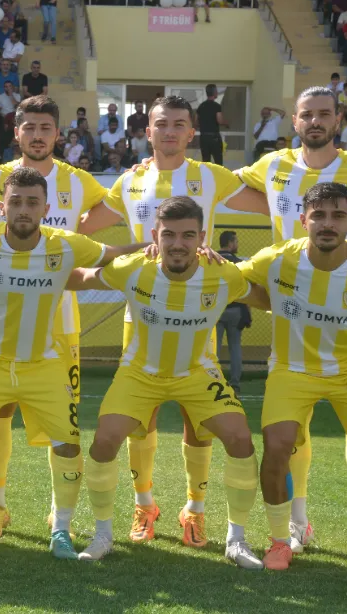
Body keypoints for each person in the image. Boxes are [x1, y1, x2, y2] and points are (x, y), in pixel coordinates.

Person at [0, 167, 145, 559]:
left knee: (68, 446)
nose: (23, 209)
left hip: (43, 364)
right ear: (2, 207)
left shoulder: (65, 244)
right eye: (15, 201)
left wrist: (156, 244)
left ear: (46, 208)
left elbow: (112, 254)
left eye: (32, 202)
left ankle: (61, 530)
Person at [236, 86, 347, 557]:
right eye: (307, 114)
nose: (315, 121)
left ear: (338, 120)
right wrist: (154, 165)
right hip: (289, 305)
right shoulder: (271, 166)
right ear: (294, 121)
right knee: (288, 434)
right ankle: (296, 522)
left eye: (324, 114)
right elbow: (215, 183)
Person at [77, 95, 269, 546]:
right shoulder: (131, 180)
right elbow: (82, 227)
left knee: (198, 423)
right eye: (161, 124)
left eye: (179, 124)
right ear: (147, 131)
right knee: (137, 422)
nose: (169, 131)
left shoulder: (212, 176)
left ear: (191, 132)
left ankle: (194, 509)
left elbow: (276, 205)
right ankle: (144, 506)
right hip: (142, 313)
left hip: (198, 313)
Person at [0, 96, 109, 539]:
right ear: (16, 132)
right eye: (28, 127)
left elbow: (118, 207)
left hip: (59, 320)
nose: (37, 135)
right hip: (1, 316)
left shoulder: (79, 181)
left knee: (61, 419)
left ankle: (57, 512)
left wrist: (77, 235)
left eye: (45, 127)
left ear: (57, 133)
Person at [216, 231, 251, 392]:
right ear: (230, 243)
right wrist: (248, 312)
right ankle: (235, 383)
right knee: (235, 347)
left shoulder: (212, 261)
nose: (237, 244)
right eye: (235, 241)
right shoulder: (239, 263)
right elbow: (248, 290)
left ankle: (214, 380)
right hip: (236, 310)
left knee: (214, 349)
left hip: (216, 309)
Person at [197, 84, 227, 164]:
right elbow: (220, 120)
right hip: (214, 137)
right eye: (216, 91)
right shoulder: (216, 106)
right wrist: (226, 123)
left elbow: (195, 122)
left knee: (206, 161)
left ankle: (206, 172)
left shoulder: (201, 106)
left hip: (203, 137)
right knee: (218, 161)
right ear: (214, 93)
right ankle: (218, 173)